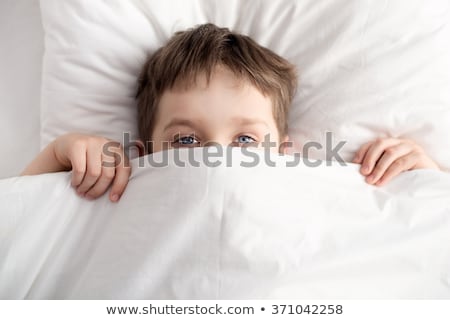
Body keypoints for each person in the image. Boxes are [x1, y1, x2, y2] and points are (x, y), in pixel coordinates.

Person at [21, 23, 440, 202]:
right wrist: (59, 155)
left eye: (246, 140)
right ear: (145, 153)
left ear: (284, 152)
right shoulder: (124, 188)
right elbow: (16, 236)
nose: (217, 161)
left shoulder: (313, 186)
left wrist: (427, 183)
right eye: (185, 140)